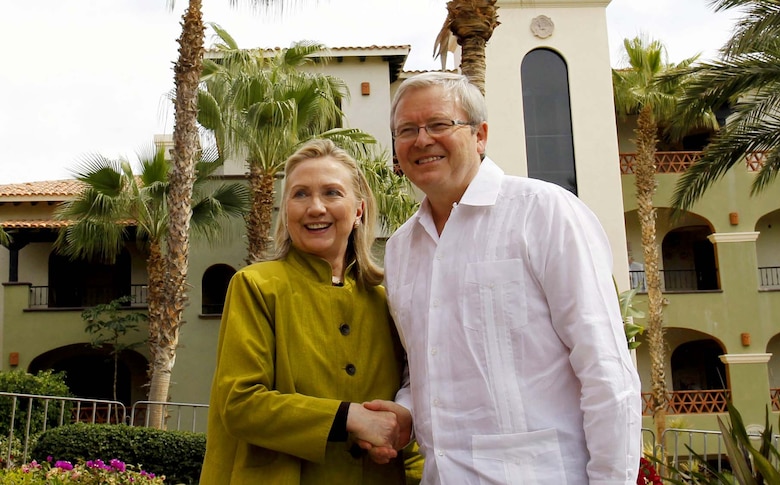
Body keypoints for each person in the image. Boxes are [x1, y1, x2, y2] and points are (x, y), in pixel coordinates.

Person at [381, 72, 642, 484]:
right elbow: (426, 367)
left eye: (439, 124)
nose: (422, 139)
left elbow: (605, 369)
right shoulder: (400, 249)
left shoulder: (543, 212)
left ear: (480, 136)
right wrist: (406, 411)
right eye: (406, 130)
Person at [199, 139, 412, 484]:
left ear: (358, 210)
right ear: (285, 211)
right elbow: (239, 404)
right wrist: (351, 418)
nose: (315, 207)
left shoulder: (387, 301)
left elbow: (409, 400)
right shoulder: (255, 286)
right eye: (300, 194)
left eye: (332, 193)